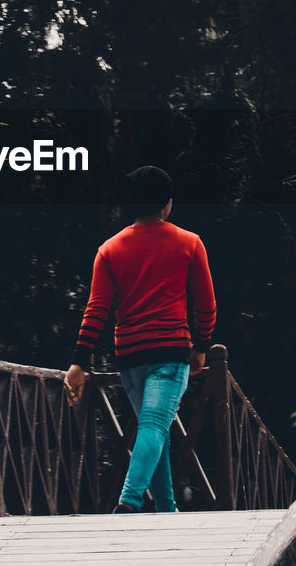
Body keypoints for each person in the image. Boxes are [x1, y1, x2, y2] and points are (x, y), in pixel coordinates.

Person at [63, 166, 217, 513]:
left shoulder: (109, 249)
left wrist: (79, 360)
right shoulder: (189, 243)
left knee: (154, 429)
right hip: (170, 351)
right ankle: (129, 502)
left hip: (129, 355)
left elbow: (96, 310)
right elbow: (206, 305)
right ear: (168, 204)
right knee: (153, 425)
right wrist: (202, 347)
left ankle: (167, 509)